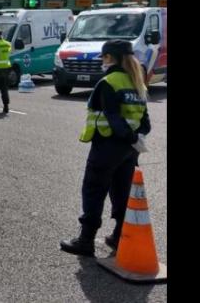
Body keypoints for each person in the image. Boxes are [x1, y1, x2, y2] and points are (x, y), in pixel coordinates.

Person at [60, 40, 151, 256]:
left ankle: (86, 240)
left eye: (103, 57)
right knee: (121, 192)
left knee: (93, 189)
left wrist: (125, 135)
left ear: (110, 57)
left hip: (107, 146)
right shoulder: (136, 82)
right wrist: (133, 139)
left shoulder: (109, 81)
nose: (101, 61)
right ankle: (120, 236)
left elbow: (112, 116)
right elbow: (146, 123)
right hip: (130, 150)